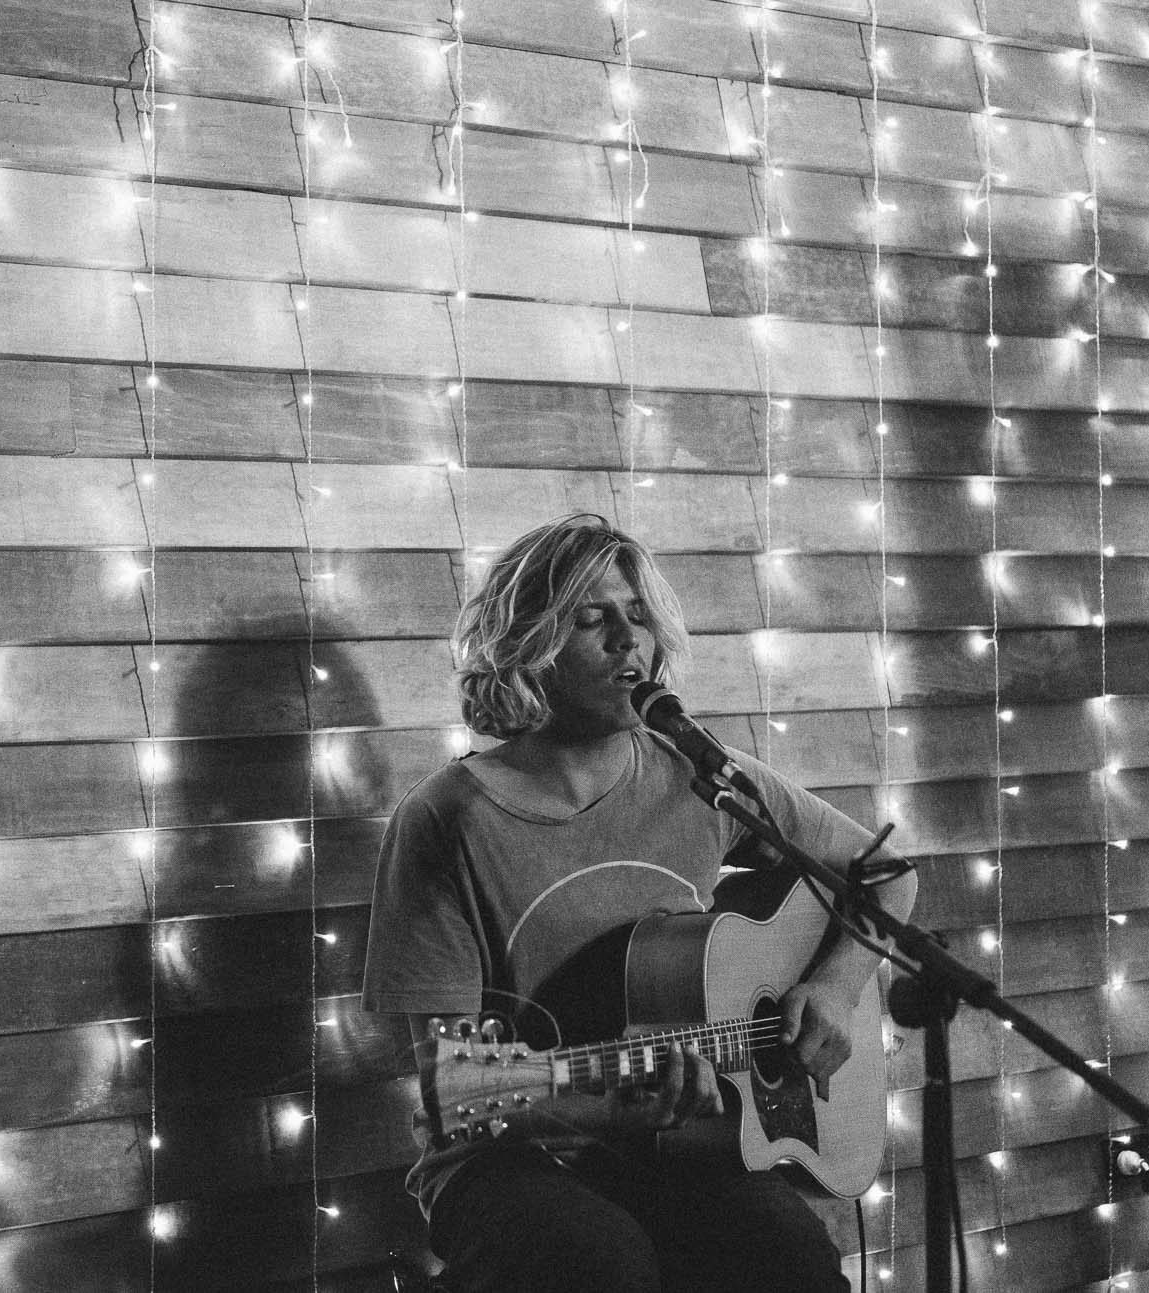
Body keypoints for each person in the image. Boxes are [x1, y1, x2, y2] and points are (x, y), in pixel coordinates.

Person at [362, 514, 916, 1292]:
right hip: (505, 1154)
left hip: (684, 1143)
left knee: (792, 1260)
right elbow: (451, 1089)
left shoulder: (701, 778)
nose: (629, 638)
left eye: (638, 614)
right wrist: (613, 1108)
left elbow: (885, 873)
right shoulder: (447, 820)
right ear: (529, 647)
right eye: (591, 619)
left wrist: (832, 985)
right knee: (601, 1261)